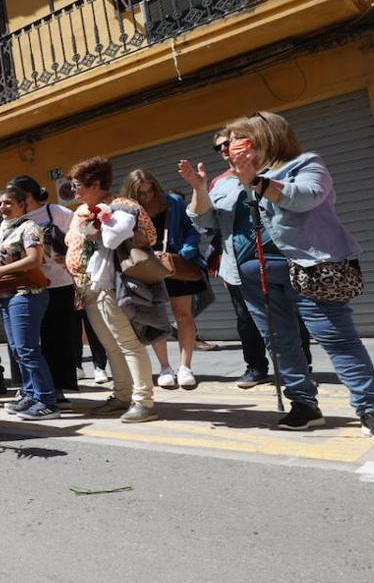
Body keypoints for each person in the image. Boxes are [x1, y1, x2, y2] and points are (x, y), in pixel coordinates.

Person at [181, 112, 374, 441]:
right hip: (251, 277)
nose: (228, 149)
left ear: (264, 137)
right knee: (280, 343)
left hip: (308, 267)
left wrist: (256, 180)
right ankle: (303, 405)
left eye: (237, 141)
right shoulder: (225, 182)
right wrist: (200, 189)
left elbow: (306, 197)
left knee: (337, 339)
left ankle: (371, 410)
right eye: (225, 145)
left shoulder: (304, 163)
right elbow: (207, 222)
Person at [206, 129, 312, 388]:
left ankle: (302, 365)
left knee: (293, 314)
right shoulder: (219, 182)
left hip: (281, 256)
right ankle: (256, 367)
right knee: (245, 317)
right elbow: (214, 225)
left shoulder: (272, 170)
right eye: (218, 147)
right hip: (238, 263)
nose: (224, 150)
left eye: (227, 143)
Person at [64, 156, 158, 423]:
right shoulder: (81, 210)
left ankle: (144, 401)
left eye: (77, 185)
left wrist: (108, 229)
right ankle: (121, 396)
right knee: (110, 345)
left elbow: (149, 237)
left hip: (112, 282)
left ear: (95, 184)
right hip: (87, 286)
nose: (74, 191)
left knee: (128, 342)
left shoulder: (122, 205)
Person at [121, 169, 205, 389]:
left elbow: (192, 229)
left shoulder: (173, 202)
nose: (147, 196)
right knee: (156, 318)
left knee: (183, 316)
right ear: (133, 193)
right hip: (146, 267)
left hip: (175, 264)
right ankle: (165, 367)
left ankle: (185, 367)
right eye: (141, 193)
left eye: (150, 191)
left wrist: (189, 246)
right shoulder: (127, 210)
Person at [0, 186, 59, 420]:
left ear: (22, 205)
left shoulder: (30, 227)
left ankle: (47, 401)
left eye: (8, 203)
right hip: (8, 295)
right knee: (18, 350)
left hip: (27, 293)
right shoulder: (5, 229)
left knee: (28, 349)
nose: (2, 208)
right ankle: (30, 394)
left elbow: (34, 259)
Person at [7, 175, 77, 401]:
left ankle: (57, 389)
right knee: (26, 342)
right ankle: (31, 388)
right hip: (27, 287)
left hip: (58, 284)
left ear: (27, 196)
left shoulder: (55, 212)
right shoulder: (11, 220)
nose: (10, 203)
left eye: (16, 197)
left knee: (56, 338)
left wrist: (69, 257)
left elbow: (81, 237)